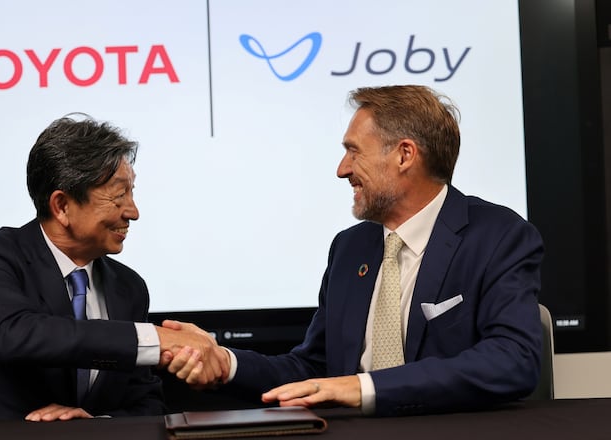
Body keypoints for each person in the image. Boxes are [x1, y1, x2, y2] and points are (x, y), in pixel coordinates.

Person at [166, 85, 544, 416]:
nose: (342, 169)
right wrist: (226, 363)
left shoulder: (498, 237)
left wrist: (364, 389)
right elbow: (313, 370)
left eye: (353, 151)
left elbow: (512, 360)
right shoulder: (350, 247)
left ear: (404, 155)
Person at [0, 114, 225, 421]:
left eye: (132, 192)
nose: (133, 212)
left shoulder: (129, 287)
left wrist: (96, 426)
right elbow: (14, 334)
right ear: (62, 206)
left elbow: (148, 405)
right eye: (119, 194)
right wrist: (154, 338)